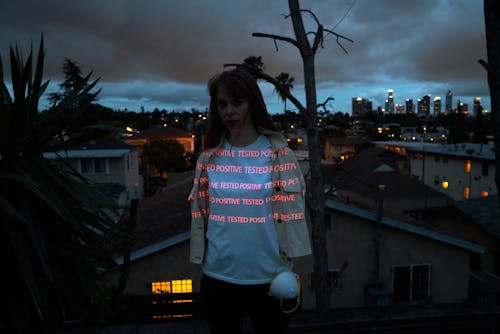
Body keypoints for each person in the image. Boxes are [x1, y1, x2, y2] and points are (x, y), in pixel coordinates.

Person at [188, 68, 312, 334]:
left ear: (252, 103)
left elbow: (293, 212)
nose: (229, 111)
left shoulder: (279, 155)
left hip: (269, 278)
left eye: (237, 102)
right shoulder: (209, 158)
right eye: (222, 104)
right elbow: (204, 215)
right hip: (218, 276)